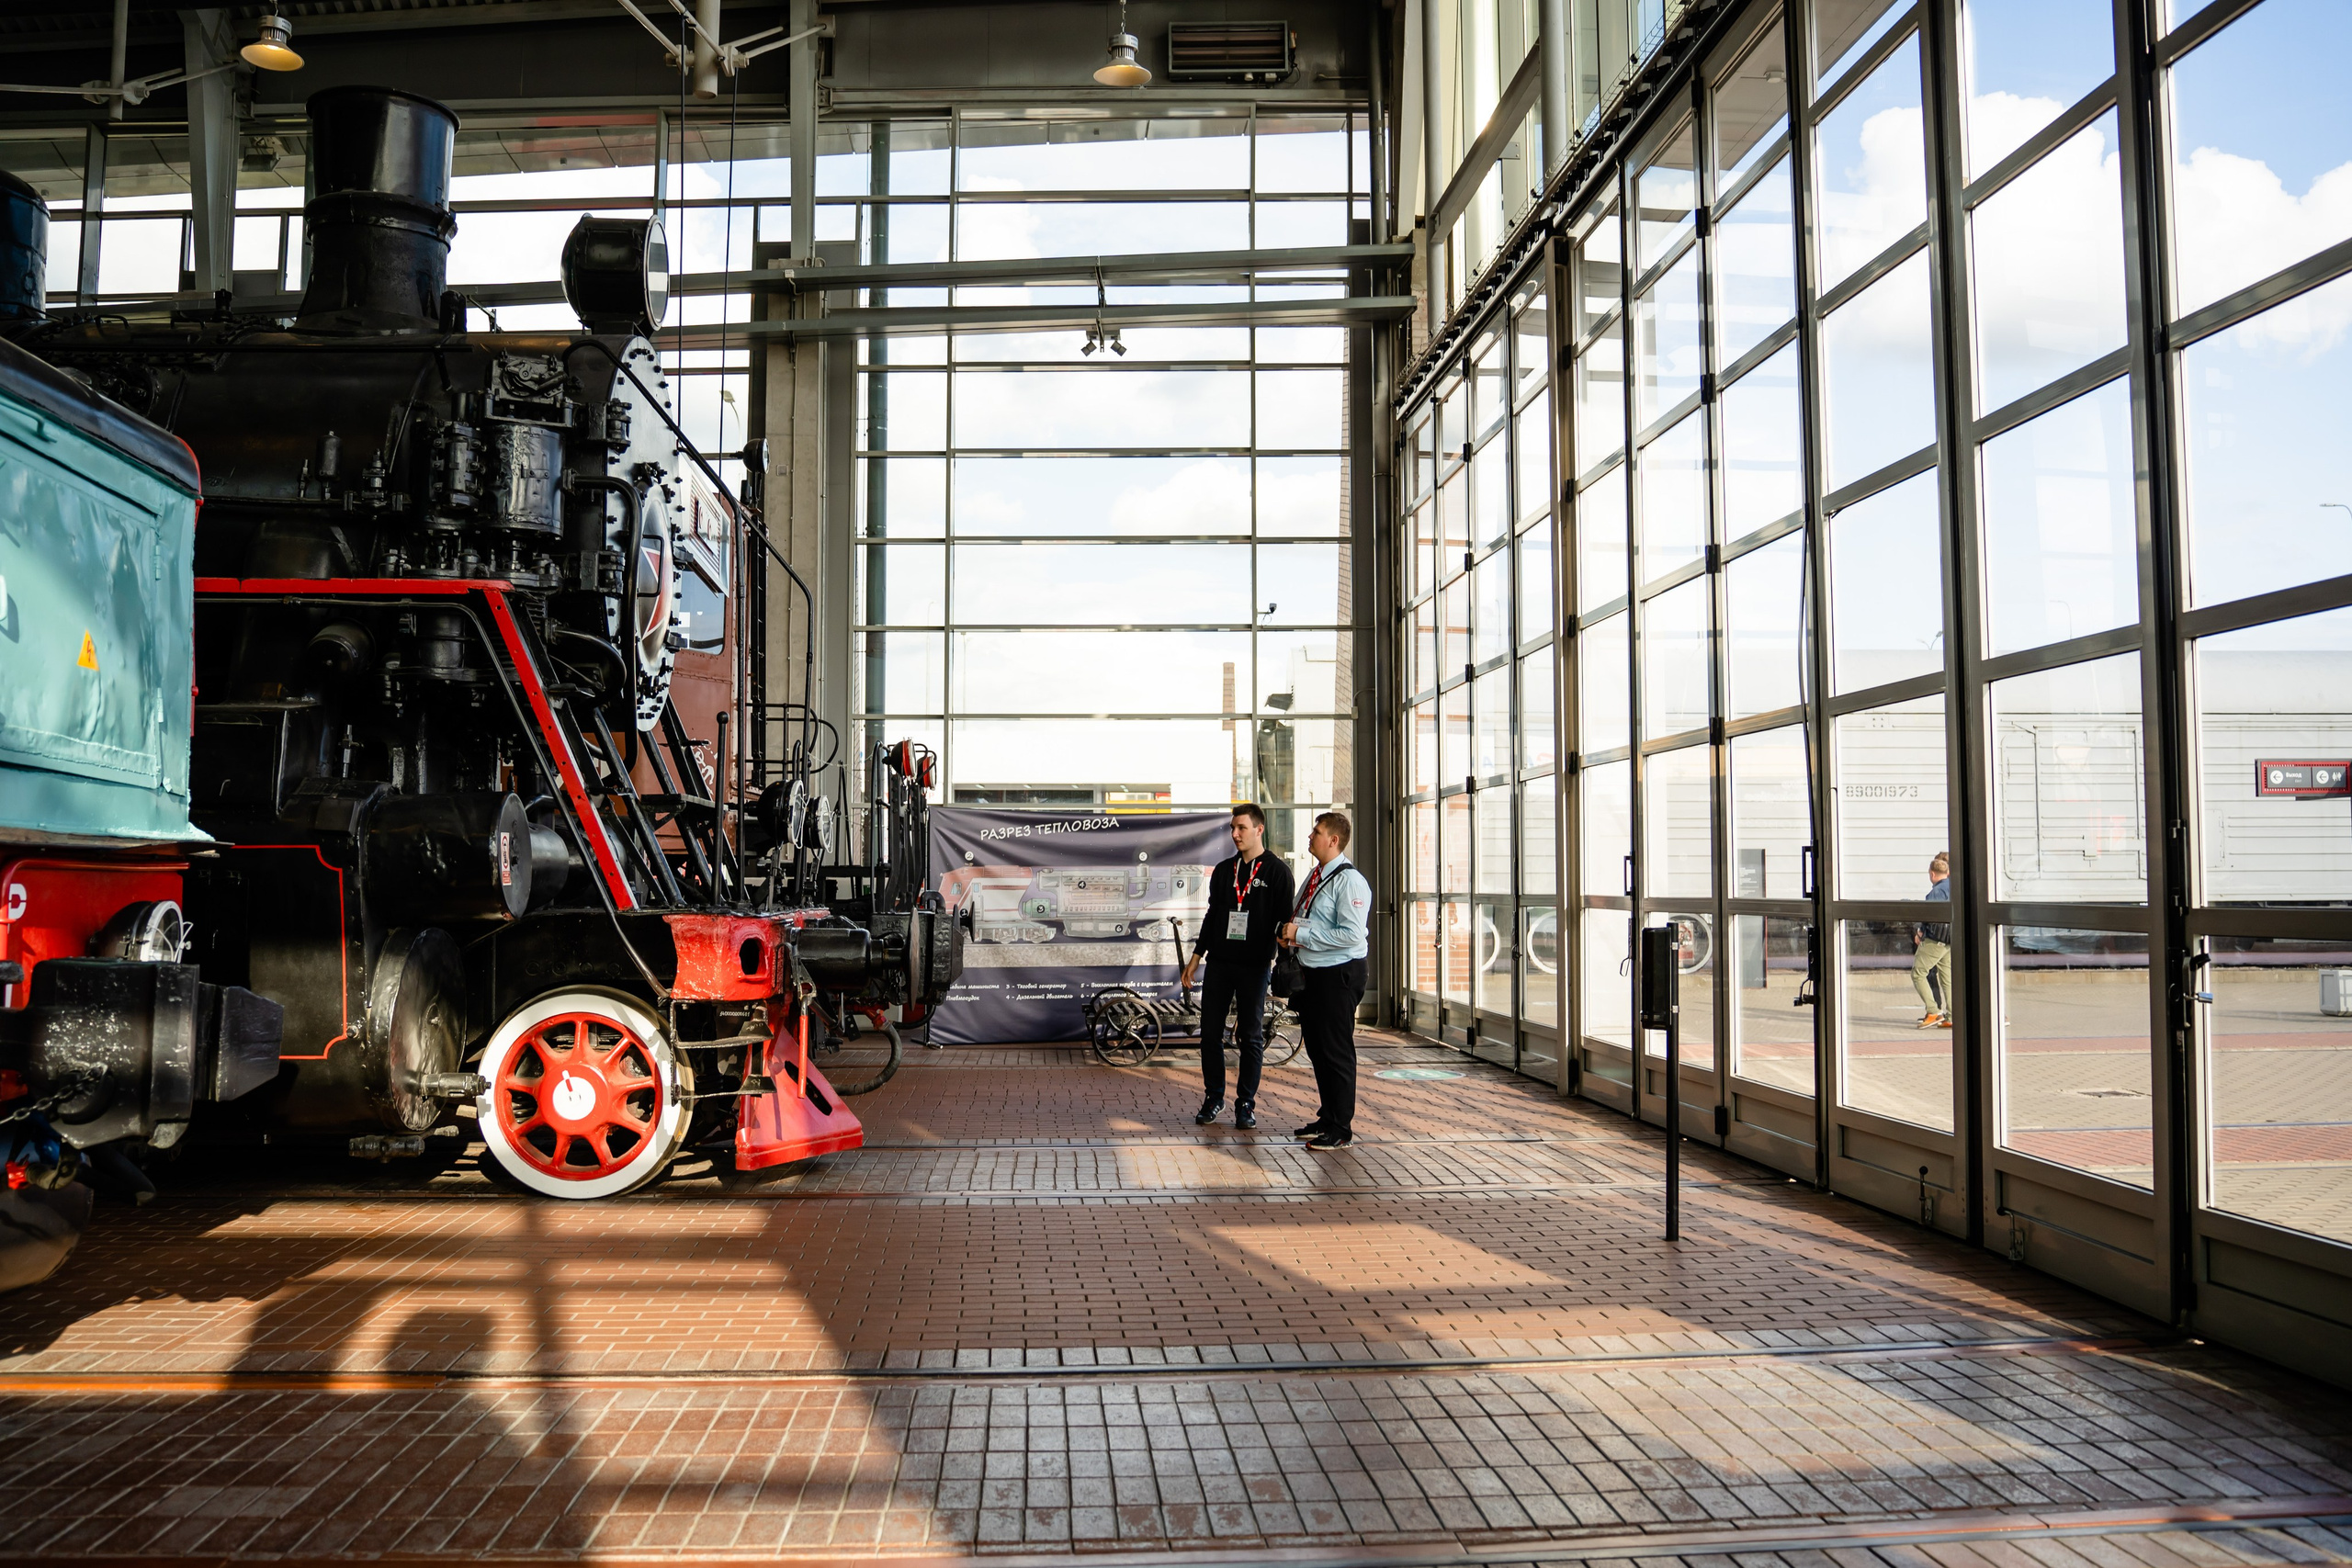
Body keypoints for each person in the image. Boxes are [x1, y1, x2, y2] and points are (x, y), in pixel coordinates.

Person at [1181, 803, 1295, 1129]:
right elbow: (1213, 916)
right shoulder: (1223, 870)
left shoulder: (1276, 871)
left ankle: (1245, 1103)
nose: (1235, 834)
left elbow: (1285, 923)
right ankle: (1214, 1097)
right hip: (1219, 964)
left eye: (1241, 828)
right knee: (1210, 1034)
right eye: (1232, 828)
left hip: (1255, 966)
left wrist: (1282, 960)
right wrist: (1196, 956)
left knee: (1251, 1036)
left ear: (1259, 829)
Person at [1278, 810, 1370, 1150]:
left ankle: (1341, 1128)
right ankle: (1328, 1116)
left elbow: (1350, 935)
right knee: (1318, 1050)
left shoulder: (1350, 881)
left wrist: (1302, 933)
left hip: (1338, 976)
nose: (1309, 837)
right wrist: (1291, 934)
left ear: (1333, 840)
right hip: (1313, 974)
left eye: (1316, 832)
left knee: (1336, 1051)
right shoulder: (1316, 876)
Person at [1913, 851, 1953, 1029]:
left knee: (1918, 972)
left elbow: (1929, 917)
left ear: (1932, 873)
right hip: (1950, 941)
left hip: (1935, 940)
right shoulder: (1955, 887)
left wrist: (1920, 932)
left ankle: (1933, 1011)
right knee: (1947, 978)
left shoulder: (1936, 892)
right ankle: (1952, 1015)